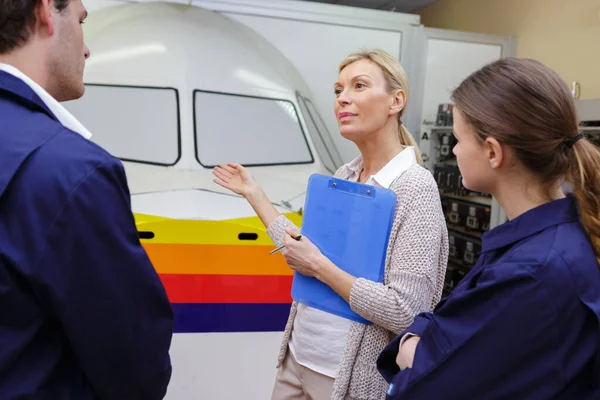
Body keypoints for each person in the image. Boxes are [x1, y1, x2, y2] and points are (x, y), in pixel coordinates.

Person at [213, 49, 448, 400]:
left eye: (359, 86)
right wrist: (255, 194)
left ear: (396, 100)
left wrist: (319, 267)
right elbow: (305, 252)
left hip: (346, 378)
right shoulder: (345, 175)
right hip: (297, 358)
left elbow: (405, 311)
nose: (343, 99)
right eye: (338, 90)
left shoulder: (415, 188)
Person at [377, 58, 600, 399]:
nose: (453, 150)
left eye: (458, 139)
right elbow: (447, 324)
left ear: (493, 152)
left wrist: (412, 348)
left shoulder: (530, 273)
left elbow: (429, 385)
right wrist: (417, 343)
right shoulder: (549, 241)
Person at [0, 1, 174, 399]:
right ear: (46, 12)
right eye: (79, 21)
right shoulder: (72, 172)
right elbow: (135, 366)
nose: (86, 48)